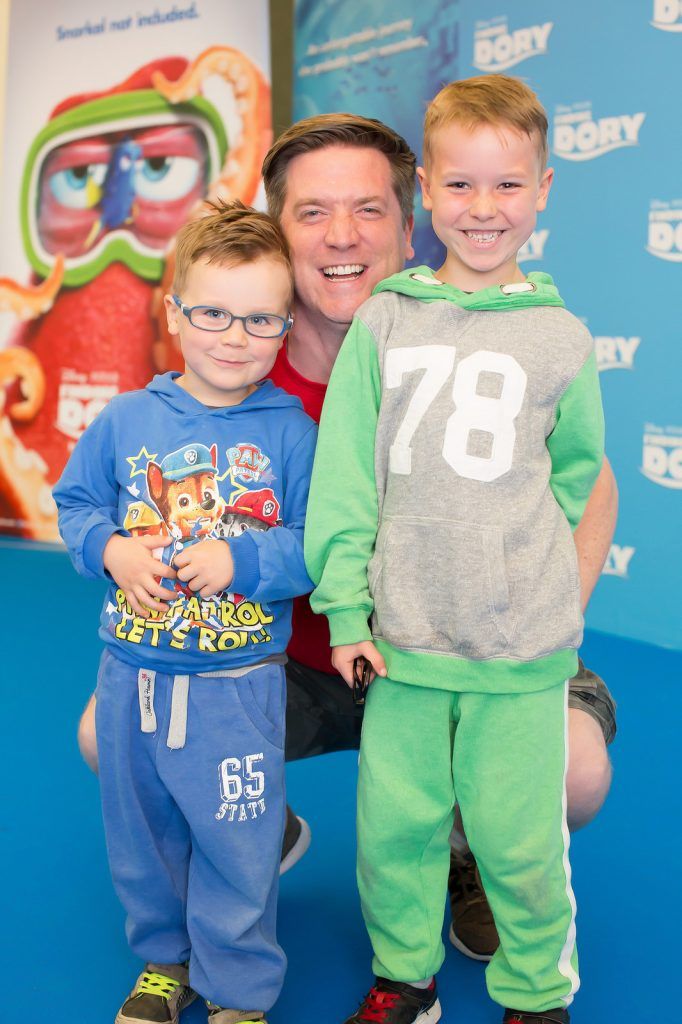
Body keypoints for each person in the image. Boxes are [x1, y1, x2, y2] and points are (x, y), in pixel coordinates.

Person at [75, 112, 618, 955]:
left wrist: (537, 635)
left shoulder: (479, 343)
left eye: (369, 210)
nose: (342, 236)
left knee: (576, 771)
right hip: (288, 665)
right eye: (312, 211)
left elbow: (591, 489)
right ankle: (255, 819)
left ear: (413, 222)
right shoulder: (240, 374)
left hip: (476, 647)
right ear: (276, 228)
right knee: (104, 735)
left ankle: (464, 848)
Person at [304, 75, 606, 1024]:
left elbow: (576, 478)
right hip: (403, 647)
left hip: (519, 654)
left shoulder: (560, 337)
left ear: (545, 188)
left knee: (520, 838)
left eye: (507, 186)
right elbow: (349, 480)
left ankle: (536, 991)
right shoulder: (385, 323)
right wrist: (346, 608)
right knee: (395, 831)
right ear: (426, 191)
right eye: (461, 187)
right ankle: (407, 977)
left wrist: (530, 582)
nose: (484, 210)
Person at [53, 200, 317, 1024]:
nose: (234, 336)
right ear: (175, 313)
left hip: (238, 688)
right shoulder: (128, 419)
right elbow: (75, 503)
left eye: (260, 319)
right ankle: (165, 963)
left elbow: (322, 547)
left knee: (240, 849)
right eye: (212, 312)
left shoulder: (293, 432)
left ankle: (238, 993)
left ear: (285, 324)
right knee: (143, 842)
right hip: (131, 676)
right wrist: (111, 551)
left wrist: (243, 560)